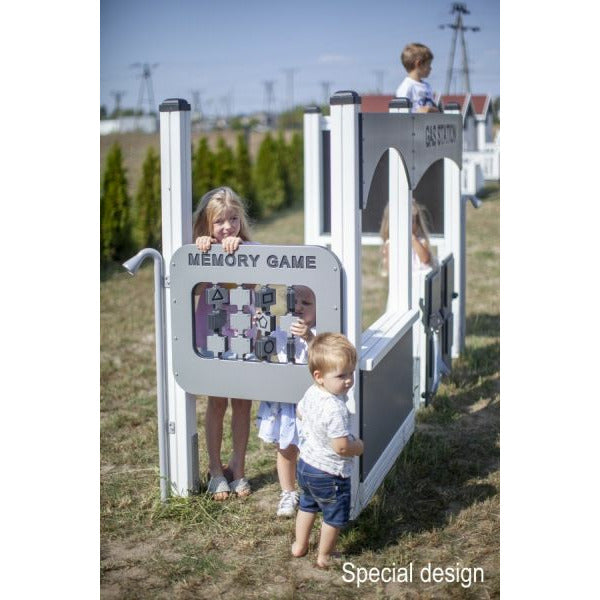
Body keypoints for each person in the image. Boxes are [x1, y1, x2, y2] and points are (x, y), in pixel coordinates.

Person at [193, 186, 255, 501]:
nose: (227, 227)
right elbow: (192, 288)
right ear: (206, 226)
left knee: (242, 402)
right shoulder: (199, 250)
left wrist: (241, 250)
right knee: (217, 401)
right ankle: (216, 471)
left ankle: (239, 468)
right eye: (219, 222)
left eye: (233, 219)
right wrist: (203, 252)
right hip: (212, 334)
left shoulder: (250, 249)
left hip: (243, 335)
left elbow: (256, 283)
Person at [291, 333, 364, 569]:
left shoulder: (312, 392)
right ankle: (325, 555)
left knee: (307, 506)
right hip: (330, 473)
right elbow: (341, 446)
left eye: (351, 373)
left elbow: (300, 412)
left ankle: (299, 545)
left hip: (306, 465)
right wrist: (358, 447)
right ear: (319, 376)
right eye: (341, 375)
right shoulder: (335, 409)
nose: (349, 381)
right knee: (333, 516)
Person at [256, 285, 317, 518]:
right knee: (285, 448)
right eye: (294, 302)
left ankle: (313, 492)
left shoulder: (321, 330)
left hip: (310, 402)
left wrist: (309, 337)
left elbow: (324, 357)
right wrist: (261, 326)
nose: (299, 308)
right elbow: (264, 350)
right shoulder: (282, 328)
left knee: (312, 449)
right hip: (285, 401)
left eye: (307, 304)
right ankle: (288, 492)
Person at [379, 199, 434, 276]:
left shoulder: (421, 241)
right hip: (401, 281)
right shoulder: (391, 244)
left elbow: (425, 259)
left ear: (417, 224)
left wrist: (413, 239)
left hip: (420, 282)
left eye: (412, 221)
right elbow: (391, 268)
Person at [395, 42, 439, 114]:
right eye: (428, 64)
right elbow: (401, 114)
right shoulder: (406, 87)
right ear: (418, 64)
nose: (430, 68)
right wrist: (419, 112)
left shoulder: (427, 86)